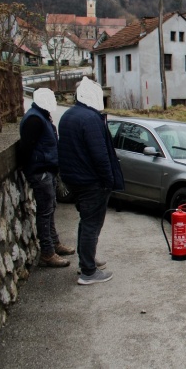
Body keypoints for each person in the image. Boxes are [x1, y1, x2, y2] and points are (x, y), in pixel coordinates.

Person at [58, 77, 123, 285]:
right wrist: (108, 181)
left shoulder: (68, 115)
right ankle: (88, 271)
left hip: (74, 179)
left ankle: (87, 260)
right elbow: (100, 155)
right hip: (91, 181)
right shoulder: (90, 118)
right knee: (92, 224)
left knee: (86, 222)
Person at [19, 88, 75, 268]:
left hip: (46, 169)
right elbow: (27, 147)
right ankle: (48, 252)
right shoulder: (35, 119)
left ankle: (54, 244)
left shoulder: (41, 116)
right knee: (45, 211)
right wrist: (33, 167)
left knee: (50, 208)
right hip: (40, 170)